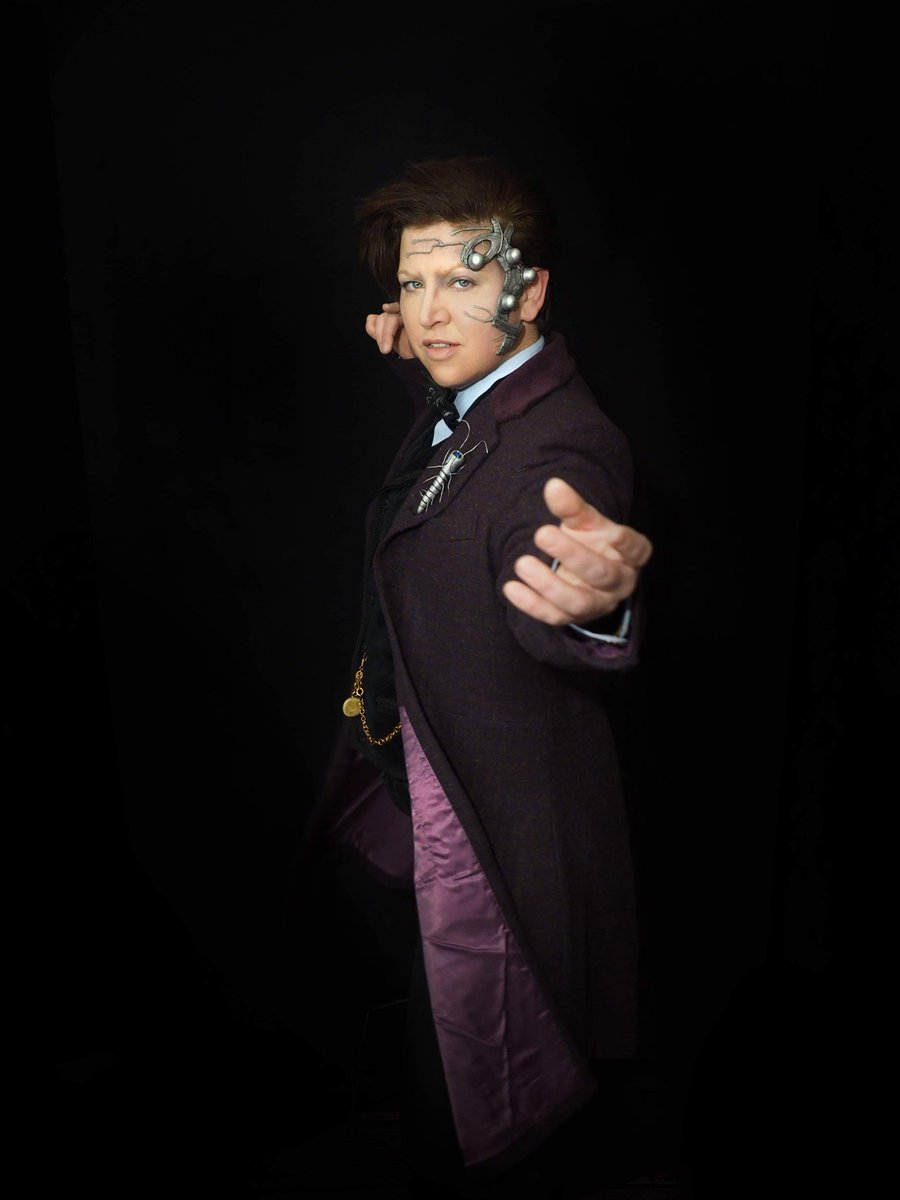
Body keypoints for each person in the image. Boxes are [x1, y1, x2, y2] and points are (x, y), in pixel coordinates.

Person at [296, 155, 653, 1199]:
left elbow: (555, 540)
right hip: (429, 793)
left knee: (478, 1115)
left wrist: (595, 603)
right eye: (413, 285)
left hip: (502, 845)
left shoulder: (565, 446)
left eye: (462, 280)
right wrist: (416, 361)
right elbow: (457, 455)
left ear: (528, 292)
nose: (429, 312)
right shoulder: (476, 390)